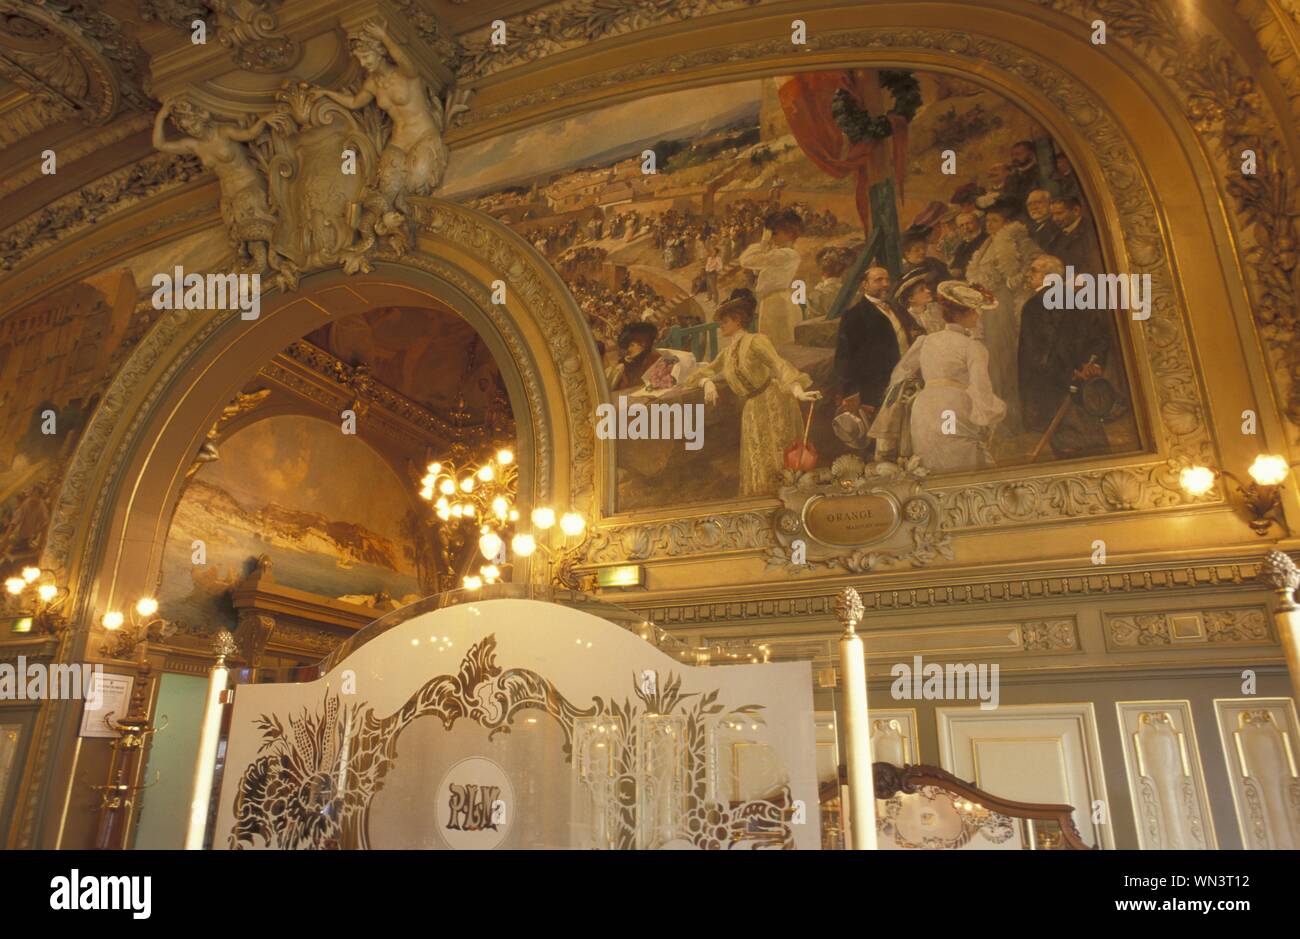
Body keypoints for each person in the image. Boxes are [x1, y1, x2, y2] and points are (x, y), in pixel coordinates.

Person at [687, 289, 820, 496]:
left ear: (738, 320)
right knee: (759, 457)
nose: (721, 326)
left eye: (725, 321)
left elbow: (779, 365)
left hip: (773, 401)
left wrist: (797, 390)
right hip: (752, 407)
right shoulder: (727, 352)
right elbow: (702, 373)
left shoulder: (756, 340)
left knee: (778, 454)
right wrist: (707, 382)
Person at [879, 281, 1006, 474]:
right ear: (968, 314)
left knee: (931, 463)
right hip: (953, 408)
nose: (978, 317)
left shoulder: (927, 340)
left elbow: (900, 375)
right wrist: (994, 413)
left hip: (924, 408)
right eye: (975, 312)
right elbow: (982, 390)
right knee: (961, 465)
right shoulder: (973, 347)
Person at [1018, 255, 1112, 459]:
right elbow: (1099, 338)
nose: (1028, 274)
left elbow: (1039, 351)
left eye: (1033, 270)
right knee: (1090, 441)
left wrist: (1069, 372)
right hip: (1081, 381)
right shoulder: (1076, 298)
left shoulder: (1035, 305)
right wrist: (1091, 364)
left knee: (1069, 443)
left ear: (1048, 276)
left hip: (1054, 383)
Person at [832, 267, 922, 444]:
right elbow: (844, 357)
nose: (885, 285)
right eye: (879, 280)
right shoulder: (854, 315)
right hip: (876, 387)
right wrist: (851, 392)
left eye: (887, 280)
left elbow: (916, 333)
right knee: (881, 438)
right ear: (864, 285)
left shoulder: (897, 309)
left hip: (908, 381)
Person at [738, 208, 805, 344]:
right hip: (775, 301)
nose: (772, 236)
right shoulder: (781, 253)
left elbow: (746, 260)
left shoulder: (786, 254)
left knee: (776, 344)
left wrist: (764, 242)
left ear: (789, 233)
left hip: (776, 304)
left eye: (775, 232)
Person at [608, 322, 662, 391]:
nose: (628, 349)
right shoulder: (626, 363)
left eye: (632, 345)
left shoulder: (654, 361)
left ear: (644, 344)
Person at [949, 212, 987, 279]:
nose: (965, 227)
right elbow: (955, 264)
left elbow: (984, 265)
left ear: (978, 223)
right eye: (962, 225)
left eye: (968, 223)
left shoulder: (986, 239)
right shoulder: (962, 245)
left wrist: (961, 271)